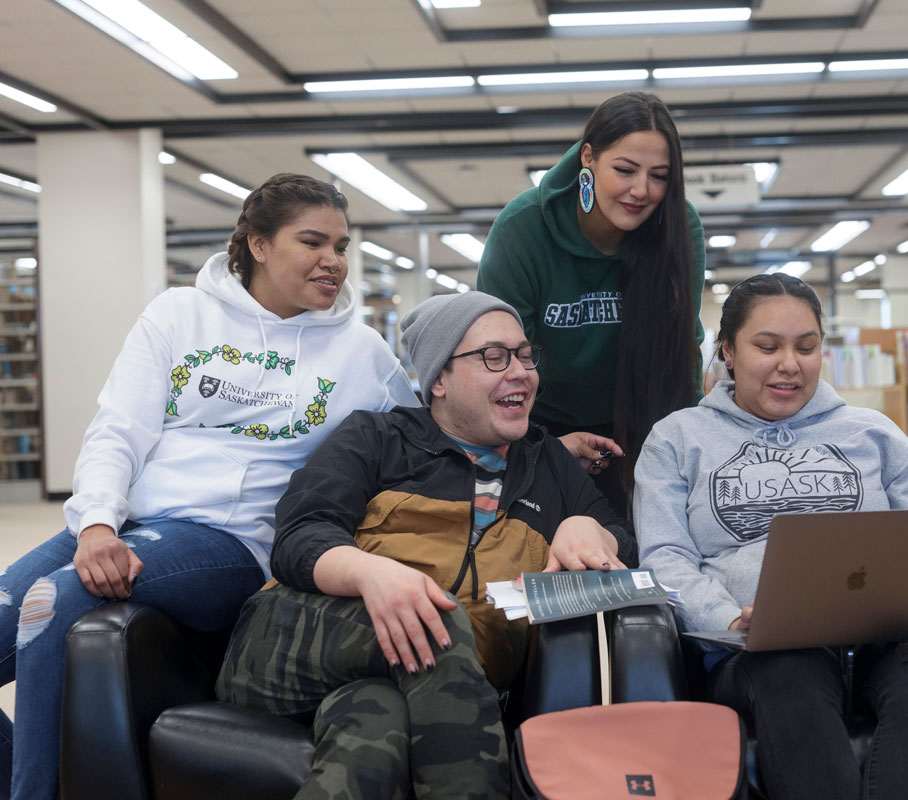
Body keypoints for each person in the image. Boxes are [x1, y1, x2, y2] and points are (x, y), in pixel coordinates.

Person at [0, 173, 423, 800]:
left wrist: (542, 447)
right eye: (312, 242)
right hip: (128, 521)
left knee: (52, 602)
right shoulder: (178, 314)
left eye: (340, 245)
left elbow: (429, 431)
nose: (333, 262)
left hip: (229, 543)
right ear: (257, 243)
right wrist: (94, 523)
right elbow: (119, 430)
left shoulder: (360, 352)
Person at [215, 291, 636, 800]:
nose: (521, 372)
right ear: (438, 379)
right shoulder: (377, 437)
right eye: (494, 357)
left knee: (374, 722)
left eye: (525, 355)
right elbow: (301, 533)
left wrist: (587, 529)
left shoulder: (547, 463)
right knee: (434, 616)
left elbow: (621, 543)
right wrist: (374, 575)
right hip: (290, 643)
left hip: (423, 680)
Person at [635, 273, 908, 800]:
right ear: (728, 350)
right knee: (787, 667)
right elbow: (664, 558)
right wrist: (727, 620)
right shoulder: (678, 438)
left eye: (807, 347)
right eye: (767, 346)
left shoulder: (872, 431)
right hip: (758, 654)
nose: (789, 365)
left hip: (881, 640)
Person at [476, 91, 707, 508]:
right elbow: (498, 361)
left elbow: (679, 354)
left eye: (659, 175)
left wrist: (691, 445)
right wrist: (541, 447)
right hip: (538, 425)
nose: (641, 190)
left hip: (641, 425)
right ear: (588, 158)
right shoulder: (521, 229)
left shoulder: (678, 226)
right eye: (625, 169)